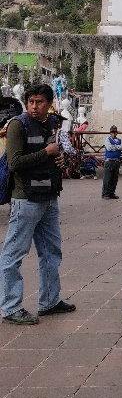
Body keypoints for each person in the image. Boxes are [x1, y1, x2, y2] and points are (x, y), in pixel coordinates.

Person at [0, 84, 76, 325]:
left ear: (49, 104)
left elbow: (54, 154)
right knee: (13, 254)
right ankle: (11, 307)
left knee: (51, 251)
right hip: (26, 199)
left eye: (40, 102)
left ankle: (50, 301)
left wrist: (59, 158)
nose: (34, 106)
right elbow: (15, 163)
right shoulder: (17, 125)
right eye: (31, 102)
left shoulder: (52, 124)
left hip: (49, 198)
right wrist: (47, 152)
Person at [102, 125, 122, 199]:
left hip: (116, 161)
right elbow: (109, 148)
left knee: (114, 179)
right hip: (109, 161)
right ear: (110, 133)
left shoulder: (120, 140)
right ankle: (105, 194)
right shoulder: (107, 139)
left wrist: (114, 147)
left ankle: (111, 193)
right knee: (107, 178)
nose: (113, 133)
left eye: (115, 132)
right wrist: (118, 147)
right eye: (112, 132)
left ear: (117, 133)